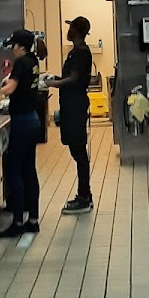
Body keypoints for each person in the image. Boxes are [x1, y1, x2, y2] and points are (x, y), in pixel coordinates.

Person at [0, 28, 41, 237]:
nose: (12, 48)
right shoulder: (33, 60)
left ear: (20, 46)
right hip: (32, 119)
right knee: (29, 170)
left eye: (13, 44)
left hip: (21, 121)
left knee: (15, 170)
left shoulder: (21, 62)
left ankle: (18, 223)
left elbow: (11, 88)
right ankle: (33, 220)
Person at [48, 16, 94, 214]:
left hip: (75, 105)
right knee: (76, 150)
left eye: (71, 28)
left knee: (79, 151)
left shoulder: (81, 52)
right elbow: (70, 77)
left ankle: (84, 197)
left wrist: (52, 84)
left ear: (77, 31)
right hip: (71, 104)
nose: (68, 31)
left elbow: (74, 79)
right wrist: (54, 78)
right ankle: (85, 194)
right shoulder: (75, 52)